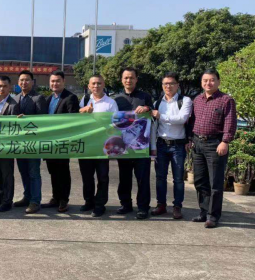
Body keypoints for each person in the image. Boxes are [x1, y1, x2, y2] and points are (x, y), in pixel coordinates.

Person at [189, 69, 237, 228]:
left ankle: (213, 216)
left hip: (215, 144)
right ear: (201, 82)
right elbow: (192, 121)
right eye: (205, 80)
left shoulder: (226, 100)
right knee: (200, 180)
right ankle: (203, 212)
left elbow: (230, 122)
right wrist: (190, 139)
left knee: (215, 183)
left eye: (211, 80)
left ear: (218, 81)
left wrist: (225, 141)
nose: (208, 83)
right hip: (197, 144)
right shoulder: (197, 100)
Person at [112, 67, 153, 220]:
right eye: (126, 78)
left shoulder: (145, 97)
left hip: (141, 145)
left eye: (131, 77)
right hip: (123, 145)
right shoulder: (116, 99)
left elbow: (153, 112)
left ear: (136, 79)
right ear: (121, 80)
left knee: (142, 178)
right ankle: (125, 204)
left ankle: (143, 207)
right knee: (124, 177)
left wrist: (147, 108)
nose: (128, 80)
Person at [150, 72, 192, 220]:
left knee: (178, 179)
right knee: (160, 177)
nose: (168, 86)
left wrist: (161, 116)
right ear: (162, 86)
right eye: (165, 84)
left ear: (177, 85)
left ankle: (177, 206)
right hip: (161, 144)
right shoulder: (157, 103)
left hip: (178, 145)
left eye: (171, 83)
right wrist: (153, 146)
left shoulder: (185, 100)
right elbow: (154, 126)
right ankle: (161, 205)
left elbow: (182, 119)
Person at [78, 75, 118, 217]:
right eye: (93, 84)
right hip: (86, 145)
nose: (96, 86)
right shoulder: (84, 100)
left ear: (104, 85)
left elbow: (116, 123)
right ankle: (89, 201)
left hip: (103, 145)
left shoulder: (111, 103)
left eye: (99, 83)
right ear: (89, 86)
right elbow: (75, 121)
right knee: (87, 176)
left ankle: (100, 204)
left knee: (102, 176)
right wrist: (82, 111)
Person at [42, 70, 79, 213]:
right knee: (52, 171)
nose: (55, 83)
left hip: (62, 141)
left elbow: (72, 119)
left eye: (58, 81)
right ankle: (55, 197)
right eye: (52, 81)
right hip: (50, 142)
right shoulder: (48, 99)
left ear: (64, 81)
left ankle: (64, 199)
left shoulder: (70, 98)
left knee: (63, 171)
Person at [13, 70, 48, 214]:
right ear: (18, 82)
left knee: (34, 173)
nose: (24, 82)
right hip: (19, 143)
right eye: (21, 80)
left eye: (27, 80)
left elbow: (43, 120)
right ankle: (27, 196)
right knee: (23, 172)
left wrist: (26, 119)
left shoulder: (38, 98)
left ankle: (35, 201)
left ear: (32, 82)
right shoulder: (15, 98)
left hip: (33, 143)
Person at [0, 76, 20, 212]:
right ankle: (1, 195)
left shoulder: (13, 105)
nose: (2, 88)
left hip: (6, 146)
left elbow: (15, 127)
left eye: (5, 86)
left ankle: (7, 201)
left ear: (10, 87)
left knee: (7, 174)